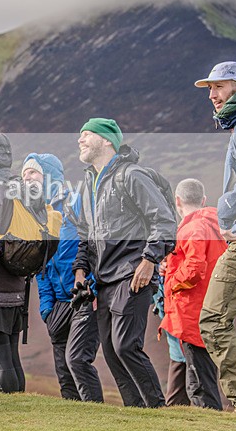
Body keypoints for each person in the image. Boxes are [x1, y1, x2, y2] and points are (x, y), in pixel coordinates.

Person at [72, 118, 177, 408]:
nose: (80, 139)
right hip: (104, 279)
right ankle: (136, 413)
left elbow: (164, 221)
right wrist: (81, 270)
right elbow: (86, 234)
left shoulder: (131, 175)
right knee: (111, 350)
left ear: (107, 140)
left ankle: (156, 409)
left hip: (133, 273)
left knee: (126, 345)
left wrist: (149, 260)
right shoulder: (88, 183)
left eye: (87, 134)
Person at [0, 136, 62, 393]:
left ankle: (9, 411)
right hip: (17, 284)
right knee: (10, 354)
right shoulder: (22, 187)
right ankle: (18, 403)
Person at [25, 153, 104, 403]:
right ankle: (74, 422)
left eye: (33, 173)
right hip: (58, 305)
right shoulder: (34, 214)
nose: (27, 178)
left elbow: (93, 241)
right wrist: (47, 308)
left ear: (49, 176)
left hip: (82, 295)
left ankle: (97, 415)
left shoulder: (74, 201)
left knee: (78, 361)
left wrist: (92, 287)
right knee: (63, 371)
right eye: (24, 174)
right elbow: (41, 268)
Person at [196, 62, 236, 413]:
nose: (213, 95)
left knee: (213, 319)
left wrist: (225, 212)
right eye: (210, 90)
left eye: (220, 87)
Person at [158, 178, 225, 410]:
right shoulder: (215, 226)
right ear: (204, 200)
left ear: (177, 201)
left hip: (191, 311)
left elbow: (195, 268)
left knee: (199, 381)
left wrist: (171, 282)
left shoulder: (192, 228)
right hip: (210, 307)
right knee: (202, 373)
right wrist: (169, 265)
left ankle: (209, 428)